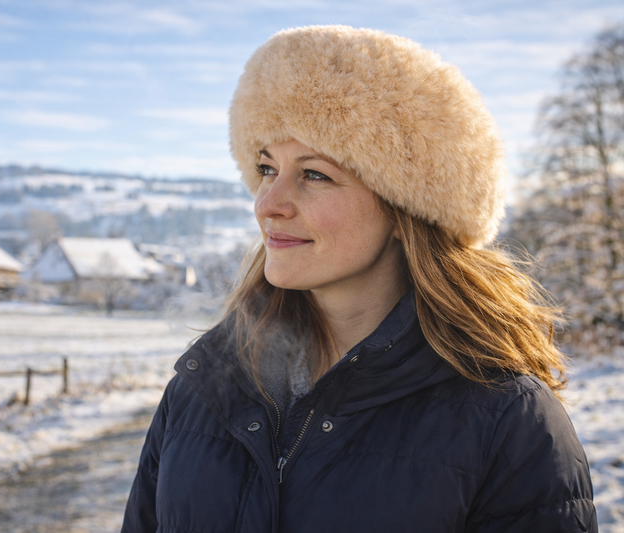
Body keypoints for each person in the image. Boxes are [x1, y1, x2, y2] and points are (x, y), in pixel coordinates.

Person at [122, 26, 597, 533]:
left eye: (315, 174)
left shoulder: (507, 422)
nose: (267, 204)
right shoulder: (200, 391)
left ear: (404, 210)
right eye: (266, 168)